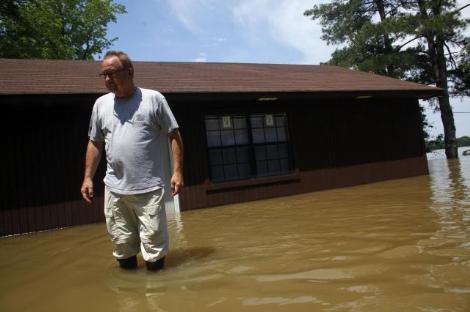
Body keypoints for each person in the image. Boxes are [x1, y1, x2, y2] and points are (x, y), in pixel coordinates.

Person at [80, 51, 184, 271]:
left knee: (154, 252)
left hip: (149, 190)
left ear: (129, 72)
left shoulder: (153, 99)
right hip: (115, 191)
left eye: (112, 73)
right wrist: (88, 177)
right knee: (122, 247)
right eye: (104, 75)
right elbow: (95, 143)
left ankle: (156, 297)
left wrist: (177, 172)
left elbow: (173, 134)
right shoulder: (100, 105)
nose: (108, 79)